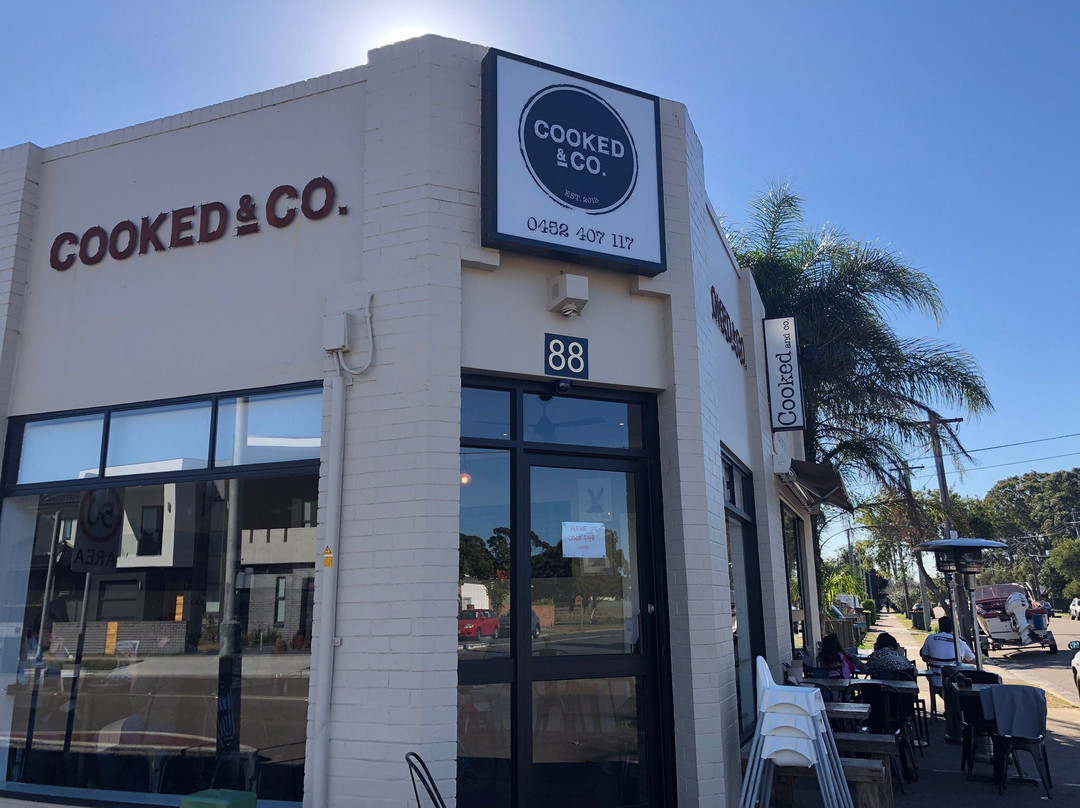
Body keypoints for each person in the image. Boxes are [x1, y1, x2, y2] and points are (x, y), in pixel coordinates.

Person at [920, 615, 975, 688]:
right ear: (953, 628)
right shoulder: (960, 643)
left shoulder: (930, 638)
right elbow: (974, 661)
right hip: (955, 683)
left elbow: (924, 657)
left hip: (935, 680)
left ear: (939, 627)